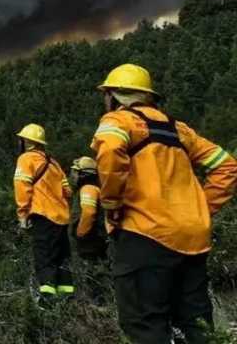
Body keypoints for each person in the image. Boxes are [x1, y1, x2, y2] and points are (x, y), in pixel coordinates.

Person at [91, 63, 237, 343]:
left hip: (145, 235)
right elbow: (227, 166)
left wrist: (110, 203)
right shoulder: (179, 130)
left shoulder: (118, 122)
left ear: (114, 96)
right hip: (193, 239)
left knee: (145, 323)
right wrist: (200, 208)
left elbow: (109, 151)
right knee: (196, 324)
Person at [14, 124, 74, 302]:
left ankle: (48, 300)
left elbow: (22, 188)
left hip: (42, 215)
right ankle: (67, 298)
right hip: (61, 218)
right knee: (62, 258)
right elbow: (68, 191)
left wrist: (22, 215)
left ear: (27, 142)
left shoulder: (26, 160)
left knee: (44, 257)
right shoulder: (53, 163)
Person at [71, 156, 110, 261]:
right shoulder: (94, 187)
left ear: (83, 174)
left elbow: (89, 212)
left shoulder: (88, 188)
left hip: (90, 239)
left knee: (91, 270)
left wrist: (80, 233)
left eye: (75, 172)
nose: (73, 176)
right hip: (95, 237)